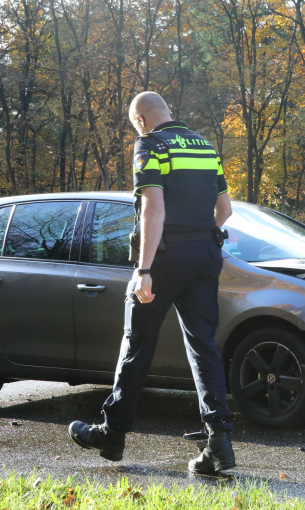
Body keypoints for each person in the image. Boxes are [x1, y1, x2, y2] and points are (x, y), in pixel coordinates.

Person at [68, 91, 236, 474]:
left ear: (141, 121)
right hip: (205, 254)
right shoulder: (205, 146)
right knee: (203, 346)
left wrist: (144, 271)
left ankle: (112, 434)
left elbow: (153, 207)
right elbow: (225, 210)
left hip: (164, 259)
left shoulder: (150, 144)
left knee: (137, 343)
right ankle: (218, 442)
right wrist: (199, 238)